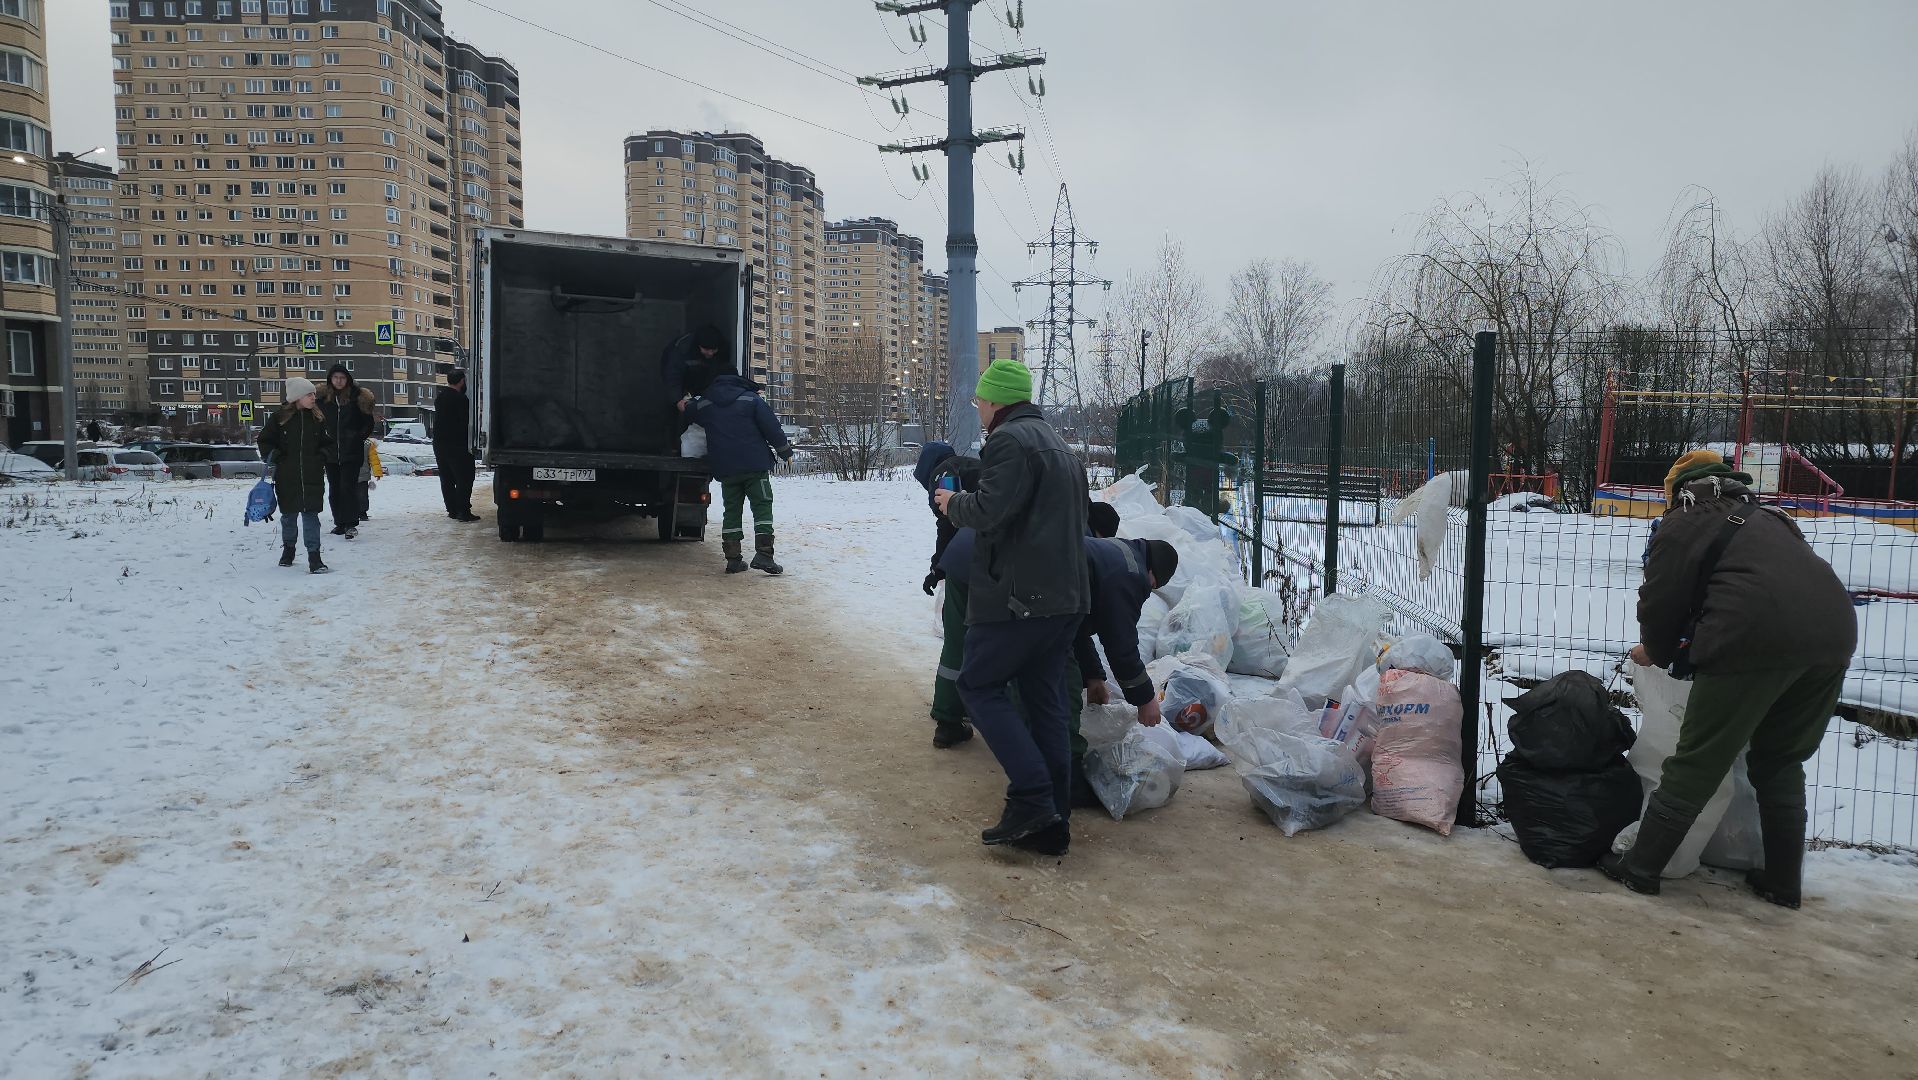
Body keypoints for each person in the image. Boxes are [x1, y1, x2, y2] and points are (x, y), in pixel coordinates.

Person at [1602, 449, 1856, 907]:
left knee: (1697, 760)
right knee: (1779, 761)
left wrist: (1655, 652)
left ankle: (1641, 868)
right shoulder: (1770, 517)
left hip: (1752, 639)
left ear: (1677, 490)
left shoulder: (1683, 520)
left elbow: (1660, 602)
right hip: (1833, 637)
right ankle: (1783, 883)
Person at [935, 359, 1090, 853]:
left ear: (997, 401)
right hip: (1064, 599)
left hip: (1021, 599)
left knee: (979, 686)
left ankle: (1031, 798)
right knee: (1045, 705)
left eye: (981, 400)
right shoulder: (1058, 445)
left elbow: (988, 511)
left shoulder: (1008, 441)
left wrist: (949, 504)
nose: (978, 409)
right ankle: (1053, 821)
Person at [686, 370, 794, 575]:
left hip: (727, 468)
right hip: (754, 465)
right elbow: (771, 427)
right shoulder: (751, 399)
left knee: (732, 510)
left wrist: (689, 400)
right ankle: (764, 554)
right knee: (762, 506)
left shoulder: (707, 403)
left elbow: (689, 412)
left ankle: (733, 559)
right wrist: (785, 451)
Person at [916, 441, 984, 749]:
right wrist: (938, 568)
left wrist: (942, 567)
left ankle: (949, 716)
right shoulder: (969, 467)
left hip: (973, 564)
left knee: (959, 641)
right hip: (999, 561)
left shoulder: (946, 473)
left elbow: (950, 523)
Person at [257, 376, 332, 574]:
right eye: (309, 394)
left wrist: (322, 456)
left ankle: (314, 558)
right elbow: (264, 441)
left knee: (311, 516)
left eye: (314, 394)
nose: (314, 398)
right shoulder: (279, 418)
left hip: (312, 476)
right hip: (287, 477)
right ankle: (288, 551)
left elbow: (328, 443)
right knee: (288, 516)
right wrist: (276, 456)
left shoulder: (318, 418)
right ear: (297, 397)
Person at [317, 363, 375, 539]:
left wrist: (357, 437)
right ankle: (340, 523)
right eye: (335, 377)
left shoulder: (357, 397)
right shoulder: (323, 399)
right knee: (334, 489)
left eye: (342, 378)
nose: (339, 381)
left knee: (347, 487)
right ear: (330, 379)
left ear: (347, 379)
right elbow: (318, 421)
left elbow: (368, 423)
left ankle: (350, 523)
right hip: (331, 452)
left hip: (351, 452)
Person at [434, 370, 479, 522]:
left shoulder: (440, 397)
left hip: (440, 444)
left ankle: (452, 509)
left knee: (447, 478)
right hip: (458, 445)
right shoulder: (461, 399)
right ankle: (463, 511)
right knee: (464, 478)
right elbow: (465, 423)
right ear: (461, 381)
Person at [665, 325, 729, 414]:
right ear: (698, 345)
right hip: (682, 382)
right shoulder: (681, 350)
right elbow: (672, 377)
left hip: (705, 384)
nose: (710, 353)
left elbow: (723, 371)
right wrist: (677, 400)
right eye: (706, 349)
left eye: (713, 350)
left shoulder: (723, 349)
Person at [358, 440, 384, 522]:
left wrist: (378, 472)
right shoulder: (367, 444)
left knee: (362, 495)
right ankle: (360, 513)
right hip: (358, 474)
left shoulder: (367, 444)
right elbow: (374, 460)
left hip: (362, 475)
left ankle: (362, 513)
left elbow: (374, 459)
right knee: (361, 495)